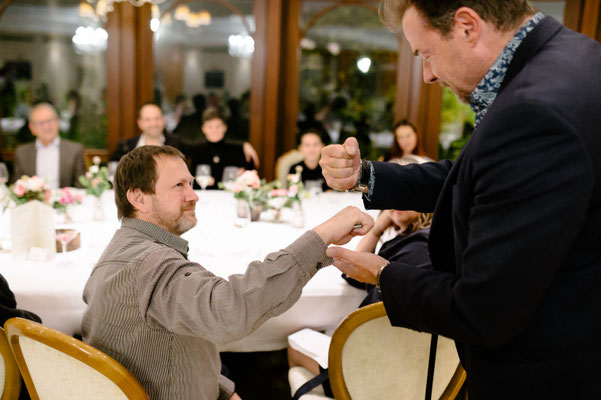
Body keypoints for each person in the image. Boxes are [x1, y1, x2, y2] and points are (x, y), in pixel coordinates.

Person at [320, 1, 601, 398]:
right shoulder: (571, 56)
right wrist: (367, 176)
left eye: (427, 54)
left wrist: (384, 274)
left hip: (548, 374)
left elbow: (485, 309)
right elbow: (481, 176)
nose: (428, 75)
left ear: (467, 26)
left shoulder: (534, 111)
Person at [81, 145, 373, 400]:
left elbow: (163, 347)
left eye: (190, 183)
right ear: (138, 198)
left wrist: (221, 388)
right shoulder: (149, 265)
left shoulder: (122, 253)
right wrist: (322, 236)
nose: (193, 195)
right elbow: (230, 308)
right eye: (179, 186)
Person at [13, 103, 85, 189]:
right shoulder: (21, 153)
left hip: (65, 201)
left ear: (57, 121)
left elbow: (81, 188)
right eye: (41, 123)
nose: (46, 126)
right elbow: (17, 187)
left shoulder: (75, 150)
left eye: (50, 120)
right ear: (32, 128)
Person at [189, 108, 257, 189]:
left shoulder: (238, 150)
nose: (214, 130)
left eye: (218, 126)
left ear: (225, 128)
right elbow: (191, 181)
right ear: (203, 129)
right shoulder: (197, 150)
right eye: (209, 126)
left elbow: (250, 177)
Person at [109, 102, 185, 161]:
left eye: (157, 118)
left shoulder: (177, 146)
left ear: (163, 120)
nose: (153, 123)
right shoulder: (125, 147)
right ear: (140, 123)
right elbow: (113, 172)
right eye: (148, 120)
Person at [288, 126, 330, 193]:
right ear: (300, 148)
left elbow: (330, 192)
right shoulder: (294, 169)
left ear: (322, 146)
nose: (312, 149)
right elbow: (293, 193)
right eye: (307, 145)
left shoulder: (328, 169)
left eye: (315, 144)